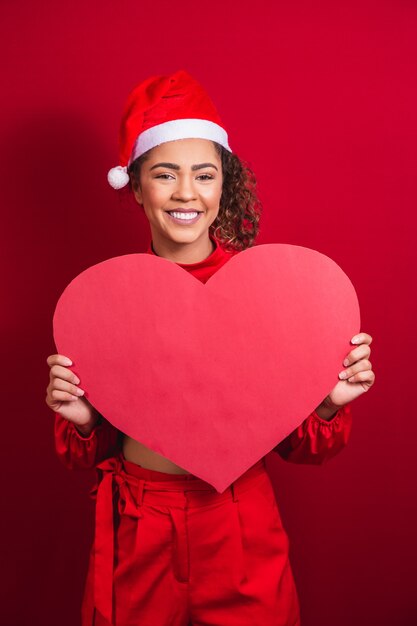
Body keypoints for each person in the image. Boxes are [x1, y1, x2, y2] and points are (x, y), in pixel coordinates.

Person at [45, 69, 375, 626]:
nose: (185, 193)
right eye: (165, 174)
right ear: (136, 184)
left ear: (224, 183)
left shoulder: (270, 293)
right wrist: (82, 420)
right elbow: (88, 451)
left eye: (203, 174)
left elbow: (304, 448)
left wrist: (327, 402)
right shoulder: (103, 300)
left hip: (240, 525)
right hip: (140, 530)